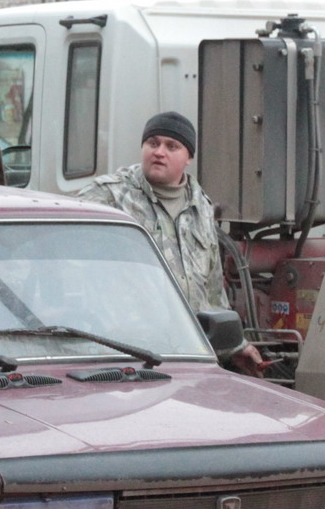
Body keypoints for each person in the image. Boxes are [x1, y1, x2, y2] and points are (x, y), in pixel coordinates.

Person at [77, 112, 263, 372]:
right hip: (126, 356)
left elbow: (212, 290)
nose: (159, 152)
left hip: (187, 355)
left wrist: (232, 345)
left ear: (188, 158)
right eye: (152, 143)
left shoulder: (201, 207)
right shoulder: (108, 196)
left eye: (171, 146)